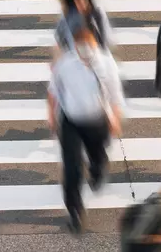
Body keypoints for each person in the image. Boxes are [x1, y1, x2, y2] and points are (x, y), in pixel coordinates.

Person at [47, 13, 123, 233]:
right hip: (71, 121)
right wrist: (52, 116)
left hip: (97, 120)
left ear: (93, 44)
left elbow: (115, 95)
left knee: (96, 154)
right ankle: (75, 211)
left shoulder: (107, 63)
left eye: (87, 46)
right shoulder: (66, 63)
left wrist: (115, 119)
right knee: (71, 168)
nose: (84, 51)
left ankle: (98, 168)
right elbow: (53, 91)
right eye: (80, 47)